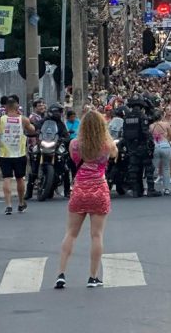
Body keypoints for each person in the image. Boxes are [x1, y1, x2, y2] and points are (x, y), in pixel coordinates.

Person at [54, 111, 118, 289]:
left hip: (80, 189)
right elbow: (114, 154)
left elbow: (75, 162)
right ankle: (93, 277)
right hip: (99, 189)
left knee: (71, 233)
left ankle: (61, 273)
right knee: (96, 235)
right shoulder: (107, 145)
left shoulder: (75, 144)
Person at [0, 95, 36, 215]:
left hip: (4, 154)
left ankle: (8, 205)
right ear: (17, 107)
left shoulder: (0, 120)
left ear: (5, 107)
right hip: (19, 153)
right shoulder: (23, 119)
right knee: (20, 178)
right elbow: (32, 130)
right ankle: (21, 203)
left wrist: (1, 140)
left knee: (7, 178)